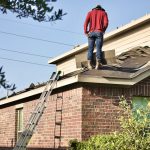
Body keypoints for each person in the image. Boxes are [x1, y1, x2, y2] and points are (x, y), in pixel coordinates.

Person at [84, 5, 109, 69]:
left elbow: (86, 23)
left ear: (94, 8)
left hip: (91, 33)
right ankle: (98, 64)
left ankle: (89, 65)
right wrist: (103, 30)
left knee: (90, 49)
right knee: (98, 48)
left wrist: (85, 32)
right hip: (99, 32)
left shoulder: (90, 13)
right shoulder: (103, 13)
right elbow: (106, 23)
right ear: (101, 8)